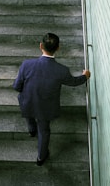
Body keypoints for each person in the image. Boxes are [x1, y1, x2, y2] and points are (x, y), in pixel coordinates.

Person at [13, 33, 91, 166]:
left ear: (40, 46)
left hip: (28, 102)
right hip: (45, 108)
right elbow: (74, 82)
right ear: (58, 48)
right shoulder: (62, 70)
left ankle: (32, 130)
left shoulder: (26, 64)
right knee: (44, 131)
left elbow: (17, 86)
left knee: (29, 113)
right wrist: (85, 76)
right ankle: (41, 157)